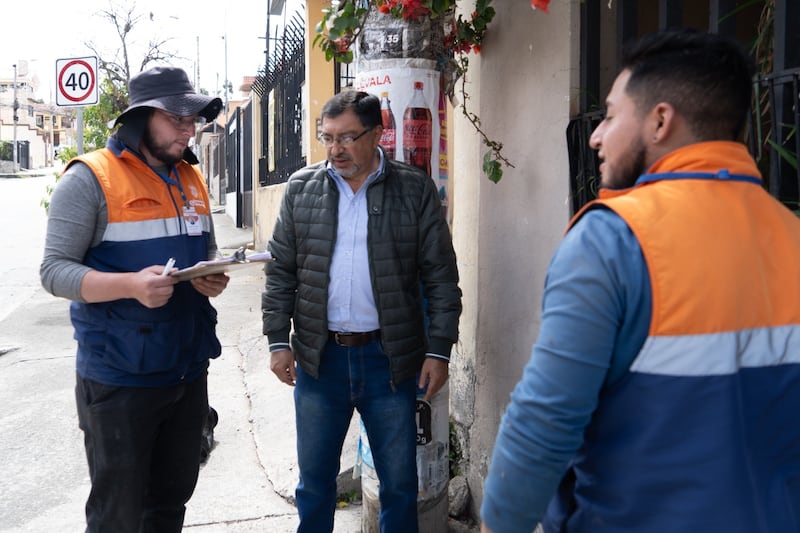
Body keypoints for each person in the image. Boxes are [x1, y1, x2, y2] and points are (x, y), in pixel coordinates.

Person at [480, 28, 800, 533]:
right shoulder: (791, 236)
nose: (595, 135)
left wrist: (497, 524)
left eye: (609, 115)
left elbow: (545, 419)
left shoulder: (612, 240)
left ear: (659, 120)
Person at [40, 66, 230, 532]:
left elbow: (205, 250)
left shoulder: (190, 178)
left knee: (170, 505)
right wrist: (129, 285)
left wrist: (213, 274)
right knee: (117, 515)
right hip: (120, 378)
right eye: (177, 119)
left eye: (193, 121)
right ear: (141, 118)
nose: (189, 131)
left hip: (187, 370)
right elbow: (53, 271)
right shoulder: (90, 179)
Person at [262, 90, 462, 533]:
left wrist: (439, 351)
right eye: (327, 138)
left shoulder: (413, 189)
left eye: (348, 137)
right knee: (314, 484)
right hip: (319, 361)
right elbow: (281, 273)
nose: (335, 149)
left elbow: (441, 278)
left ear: (378, 134)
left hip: (389, 362)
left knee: (399, 485)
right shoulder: (301, 189)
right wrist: (279, 341)